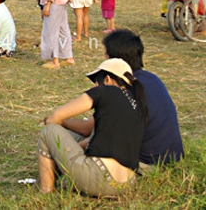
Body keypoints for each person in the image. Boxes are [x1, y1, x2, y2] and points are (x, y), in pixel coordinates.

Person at [63, 30, 184, 171]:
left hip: (146, 163)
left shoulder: (123, 88)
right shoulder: (151, 78)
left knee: (63, 139)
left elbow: (88, 129)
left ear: (114, 61)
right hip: (171, 157)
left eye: (106, 55)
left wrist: (60, 120)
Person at [38, 58, 147, 197]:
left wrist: (53, 121)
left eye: (97, 81)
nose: (96, 85)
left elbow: (56, 116)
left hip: (100, 179)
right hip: (125, 185)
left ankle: (46, 191)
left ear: (107, 79)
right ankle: (55, 178)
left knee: (49, 132)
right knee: (70, 135)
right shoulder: (138, 105)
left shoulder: (105, 92)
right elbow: (87, 132)